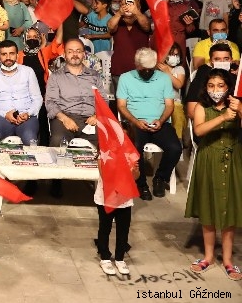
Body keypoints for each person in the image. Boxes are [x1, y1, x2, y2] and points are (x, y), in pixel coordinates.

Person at [184, 69, 242, 281]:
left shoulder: (236, 106)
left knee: (229, 210)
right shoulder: (202, 107)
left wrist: (240, 110)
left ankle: (227, 260)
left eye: (220, 85)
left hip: (233, 160)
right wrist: (224, 117)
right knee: (208, 209)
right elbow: (199, 131)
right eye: (211, 85)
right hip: (208, 159)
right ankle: (208, 256)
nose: (215, 90)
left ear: (228, 87)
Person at [116, 47, 180, 201]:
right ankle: (141, 183)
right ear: (137, 65)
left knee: (175, 148)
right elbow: (121, 106)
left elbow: (169, 105)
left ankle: (160, 178)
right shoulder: (125, 78)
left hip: (160, 122)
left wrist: (161, 120)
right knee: (134, 147)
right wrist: (135, 121)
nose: (147, 72)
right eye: (143, 69)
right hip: (135, 123)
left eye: (150, 69)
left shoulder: (164, 78)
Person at [45, 37, 105, 197]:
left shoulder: (94, 76)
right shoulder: (56, 77)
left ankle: (102, 181)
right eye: (70, 51)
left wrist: (97, 115)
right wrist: (64, 118)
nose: (75, 54)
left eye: (78, 51)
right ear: (65, 55)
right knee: (57, 140)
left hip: (91, 118)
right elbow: (50, 102)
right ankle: (56, 181)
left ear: (84, 54)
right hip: (65, 117)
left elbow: (104, 100)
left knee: (107, 140)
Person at [94, 130, 140, 276]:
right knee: (105, 228)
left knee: (123, 230)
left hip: (124, 200)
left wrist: (134, 171)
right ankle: (105, 258)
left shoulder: (131, 156)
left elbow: (135, 177)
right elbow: (105, 176)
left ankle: (120, 258)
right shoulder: (104, 155)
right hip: (106, 199)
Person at [0, 40, 43, 145]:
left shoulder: (28, 72)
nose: (8, 57)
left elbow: (37, 99)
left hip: (26, 118)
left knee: (29, 138)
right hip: (1, 118)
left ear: (17, 55)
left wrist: (28, 113)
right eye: (4, 54)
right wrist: (4, 114)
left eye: (11, 53)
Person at [157, 42, 187, 145]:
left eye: (176, 55)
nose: (174, 57)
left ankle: (178, 140)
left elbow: (178, 85)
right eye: (171, 54)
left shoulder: (179, 69)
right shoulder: (157, 69)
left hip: (175, 101)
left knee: (177, 113)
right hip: (160, 101)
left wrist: (167, 73)